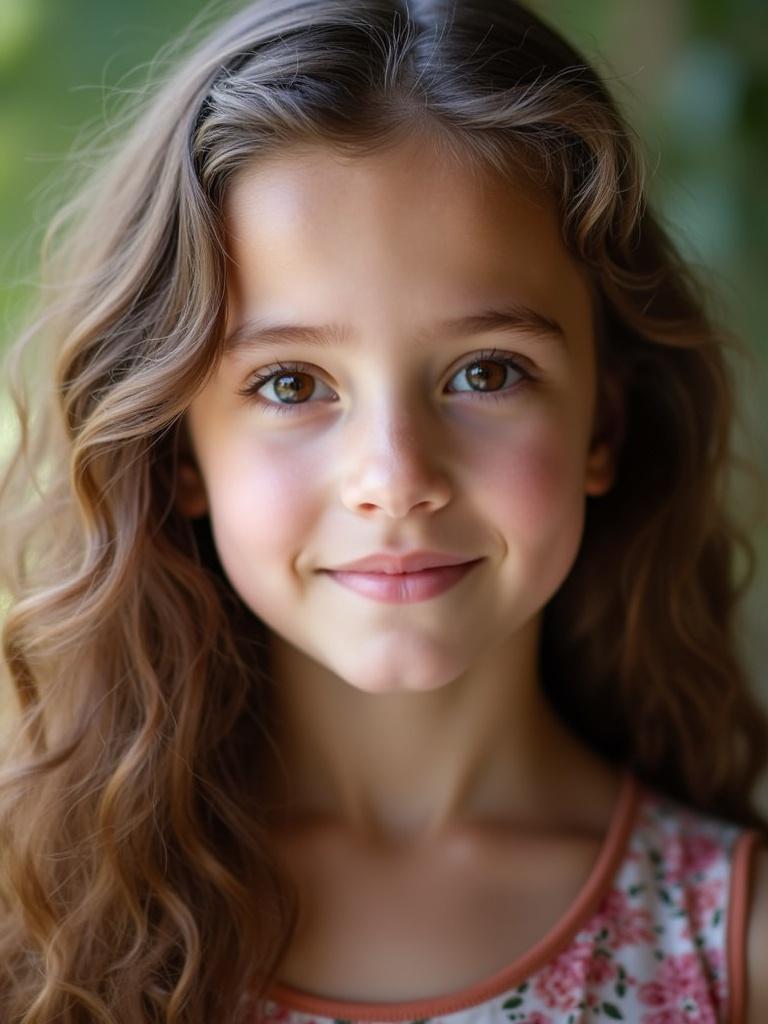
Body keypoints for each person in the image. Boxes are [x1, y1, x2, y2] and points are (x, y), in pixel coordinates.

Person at [0, 0, 766, 1021]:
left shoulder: (734, 947)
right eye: (288, 384)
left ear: (604, 424)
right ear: (180, 447)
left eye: (486, 372)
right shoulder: (36, 919)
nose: (396, 476)